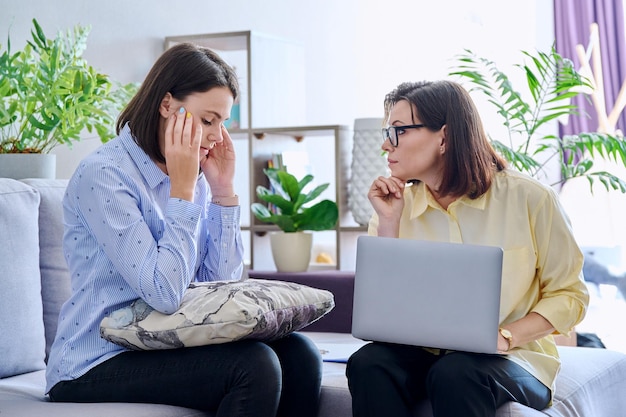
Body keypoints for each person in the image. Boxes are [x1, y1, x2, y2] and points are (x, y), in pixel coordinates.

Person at [45, 42, 322, 417]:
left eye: (223, 123)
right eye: (208, 120)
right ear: (167, 105)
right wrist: (183, 193)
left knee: (300, 355)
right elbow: (164, 293)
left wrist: (223, 192)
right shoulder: (106, 175)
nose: (217, 137)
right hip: (95, 361)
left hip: (164, 342)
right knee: (253, 366)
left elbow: (218, 287)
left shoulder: (196, 178)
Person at [346, 80, 589, 417]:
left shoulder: (532, 199)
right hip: (421, 353)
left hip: (512, 356)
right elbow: (382, 309)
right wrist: (389, 224)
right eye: (387, 131)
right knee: (368, 363)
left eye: (399, 131)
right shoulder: (394, 207)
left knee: (457, 373)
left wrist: (505, 336)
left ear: (443, 137)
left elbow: (570, 295)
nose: (386, 145)